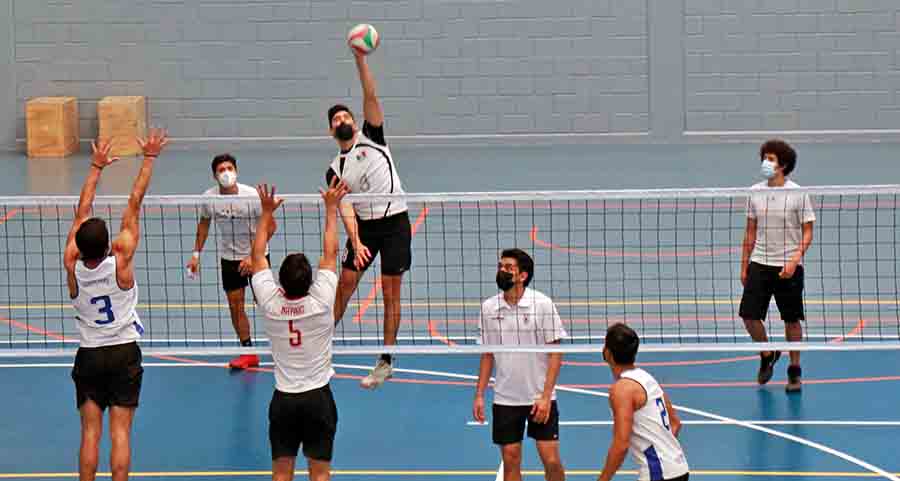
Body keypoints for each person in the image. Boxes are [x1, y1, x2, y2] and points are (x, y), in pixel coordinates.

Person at [63, 130, 168, 481]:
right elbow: (134, 203)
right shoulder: (121, 259)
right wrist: (149, 158)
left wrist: (95, 167)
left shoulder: (71, 264)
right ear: (110, 243)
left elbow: (82, 211)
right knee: (120, 434)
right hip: (123, 351)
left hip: (90, 353)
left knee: (89, 434)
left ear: (79, 246)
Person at [249, 178, 350, 481]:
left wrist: (266, 213)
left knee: (281, 473)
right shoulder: (320, 302)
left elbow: (256, 257)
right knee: (320, 474)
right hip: (318, 399)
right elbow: (330, 254)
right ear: (310, 282)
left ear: (280, 282)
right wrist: (332, 209)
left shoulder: (270, 303)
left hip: (284, 401)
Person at [325, 46, 411, 389]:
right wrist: (356, 241)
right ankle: (319, 346)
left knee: (391, 292)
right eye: (335, 120)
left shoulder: (373, 136)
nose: (341, 121)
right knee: (344, 285)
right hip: (364, 229)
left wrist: (360, 59)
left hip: (395, 223)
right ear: (331, 132)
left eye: (345, 116)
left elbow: (370, 94)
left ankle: (385, 360)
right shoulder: (335, 167)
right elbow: (343, 205)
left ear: (354, 121)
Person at [473, 248, 567, 481]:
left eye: (508, 267)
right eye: (500, 266)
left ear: (522, 275)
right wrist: (479, 395)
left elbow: (556, 353)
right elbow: (487, 354)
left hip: (539, 397)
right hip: (505, 398)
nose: (501, 271)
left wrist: (546, 396)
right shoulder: (488, 308)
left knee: (552, 461)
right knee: (511, 459)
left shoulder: (542, 304)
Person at [739, 139, 815, 392]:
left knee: (791, 320)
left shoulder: (798, 193)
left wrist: (795, 259)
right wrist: (744, 265)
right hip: (760, 262)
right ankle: (766, 354)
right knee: (749, 317)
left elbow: (808, 232)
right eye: (765, 157)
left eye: (770, 159)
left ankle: (794, 370)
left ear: (783, 165)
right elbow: (750, 231)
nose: (765, 162)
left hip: (788, 266)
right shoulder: (755, 192)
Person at [186, 153, 273, 370]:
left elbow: (270, 227)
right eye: (221, 170)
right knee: (236, 306)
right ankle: (248, 352)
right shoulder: (209, 198)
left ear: (236, 171)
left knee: (268, 304)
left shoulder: (251, 195)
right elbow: (204, 224)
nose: (226, 173)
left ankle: (285, 347)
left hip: (257, 255)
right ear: (215, 176)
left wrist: (253, 257)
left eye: (229, 168)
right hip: (229, 258)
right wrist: (196, 255)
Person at [597, 323, 690, 481]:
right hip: (679, 468)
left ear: (608, 353)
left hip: (659, 474)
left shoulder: (621, 390)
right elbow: (675, 423)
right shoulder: (646, 377)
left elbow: (621, 444)